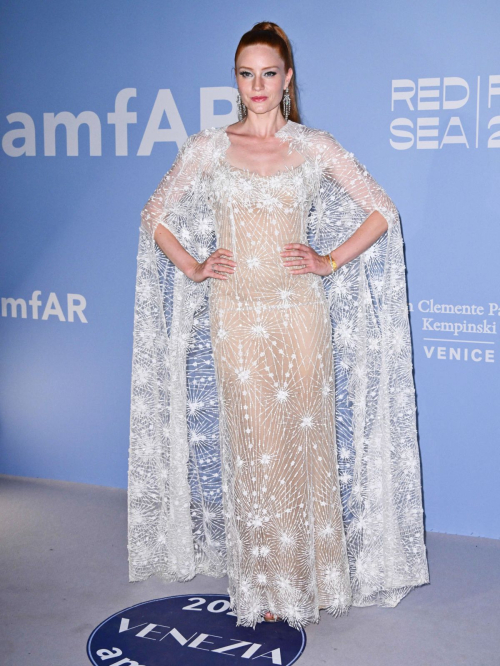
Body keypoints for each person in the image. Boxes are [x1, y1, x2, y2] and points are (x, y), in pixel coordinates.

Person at [127, 21, 430, 630]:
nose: (257, 85)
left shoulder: (313, 145)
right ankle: (263, 582)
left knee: (303, 447)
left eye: (269, 73)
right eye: (246, 73)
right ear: (236, 80)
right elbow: (153, 215)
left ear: (287, 78)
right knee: (253, 451)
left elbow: (382, 210)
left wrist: (328, 259)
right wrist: (192, 265)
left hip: (299, 314)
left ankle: (310, 580)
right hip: (235, 315)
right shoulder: (208, 148)